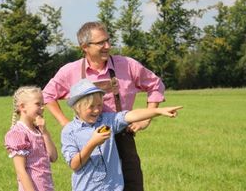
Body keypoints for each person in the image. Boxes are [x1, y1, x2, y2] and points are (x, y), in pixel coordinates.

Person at [43, 21, 165, 191]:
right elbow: (47, 94)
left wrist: (147, 118)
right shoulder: (70, 71)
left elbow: (156, 85)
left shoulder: (127, 65)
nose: (107, 46)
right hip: (87, 141)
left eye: (108, 40)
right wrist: (65, 123)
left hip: (123, 137)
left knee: (132, 186)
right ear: (85, 46)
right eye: (101, 42)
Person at [61, 79, 182, 191]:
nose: (97, 110)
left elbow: (131, 115)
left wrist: (157, 111)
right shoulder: (69, 131)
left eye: (99, 105)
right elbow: (74, 165)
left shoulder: (107, 121)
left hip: (114, 187)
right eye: (91, 106)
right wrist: (93, 143)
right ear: (77, 107)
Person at [5, 86, 58, 191]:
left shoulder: (39, 130)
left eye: (43, 104)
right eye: (38, 104)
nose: (42, 108)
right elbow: (21, 170)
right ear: (23, 107)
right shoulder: (18, 133)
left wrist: (45, 132)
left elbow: (53, 157)